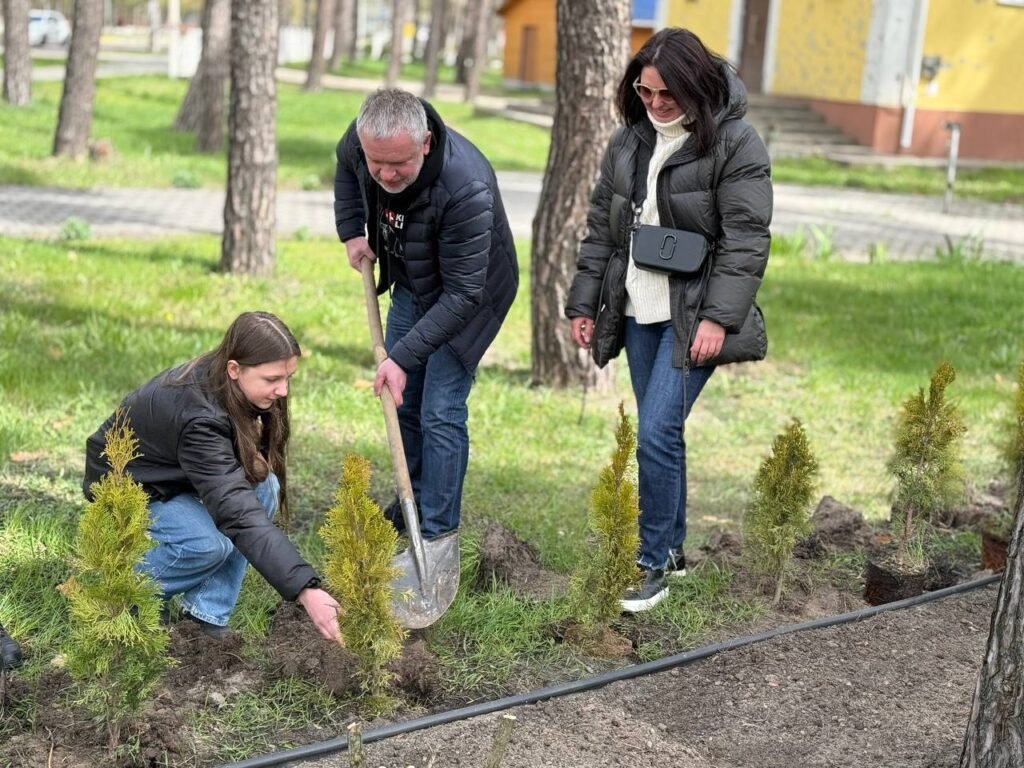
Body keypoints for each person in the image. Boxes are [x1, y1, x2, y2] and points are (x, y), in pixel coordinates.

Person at [565, 28, 772, 613]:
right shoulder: (628, 141)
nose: (655, 104)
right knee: (663, 434)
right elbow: (601, 231)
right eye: (645, 91)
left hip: (692, 316)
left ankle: (652, 561)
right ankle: (674, 551)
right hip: (638, 309)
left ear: (696, 86)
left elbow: (746, 241)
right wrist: (585, 302)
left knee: (655, 433)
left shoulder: (735, 143)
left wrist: (718, 319)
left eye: (667, 94)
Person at [83, 311, 341, 642]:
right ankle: (126, 597)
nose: (283, 390)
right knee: (205, 545)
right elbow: (237, 512)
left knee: (266, 488)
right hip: (129, 481)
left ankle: (204, 614)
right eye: (272, 379)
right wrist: (306, 589)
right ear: (234, 369)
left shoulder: (229, 383)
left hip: (175, 472)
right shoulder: (199, 417)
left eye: (288, 377)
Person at [334, 88, 519, 541]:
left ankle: (438, 532)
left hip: (471, 298)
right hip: (413, 280)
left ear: (426, 144)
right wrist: (351, 231)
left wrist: (400, 358)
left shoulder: (465, 185)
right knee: (405, 402)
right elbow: (345, 165)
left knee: (440, 410)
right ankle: (412, 502)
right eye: (377, 163)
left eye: (399, 163)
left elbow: (463, 295)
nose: (386, 174)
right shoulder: (365, 139)